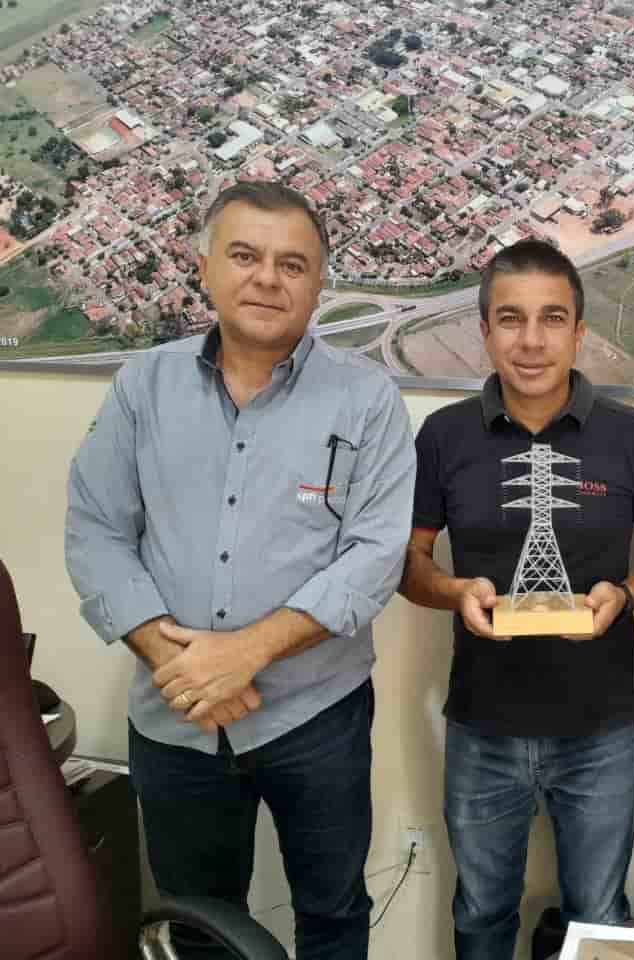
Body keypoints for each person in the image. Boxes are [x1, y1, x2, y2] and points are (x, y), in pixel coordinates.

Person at [65, 181, 415, 960]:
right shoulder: (141, 386)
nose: (267, 278)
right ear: (206, 268)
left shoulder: (367, 399)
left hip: (315, 718)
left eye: (293, 264)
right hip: (175, 716)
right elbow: (96, 528)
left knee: (331, 910)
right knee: (200, 920)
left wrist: (246, 652)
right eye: (246, 256)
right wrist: (178, 663)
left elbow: (375, 552)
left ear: (319, 284)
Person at [399, 238, 634, 960]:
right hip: (482, 725)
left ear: (579, 332)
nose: (531, 341)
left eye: (552, 319)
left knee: (598, 917)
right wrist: (453, 592)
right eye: (511, 319)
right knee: (480, 915)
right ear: (485, 330)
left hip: (599, 730)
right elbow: (408, 563)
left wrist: (622, 596)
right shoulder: (443, 437)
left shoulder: (630, 435)